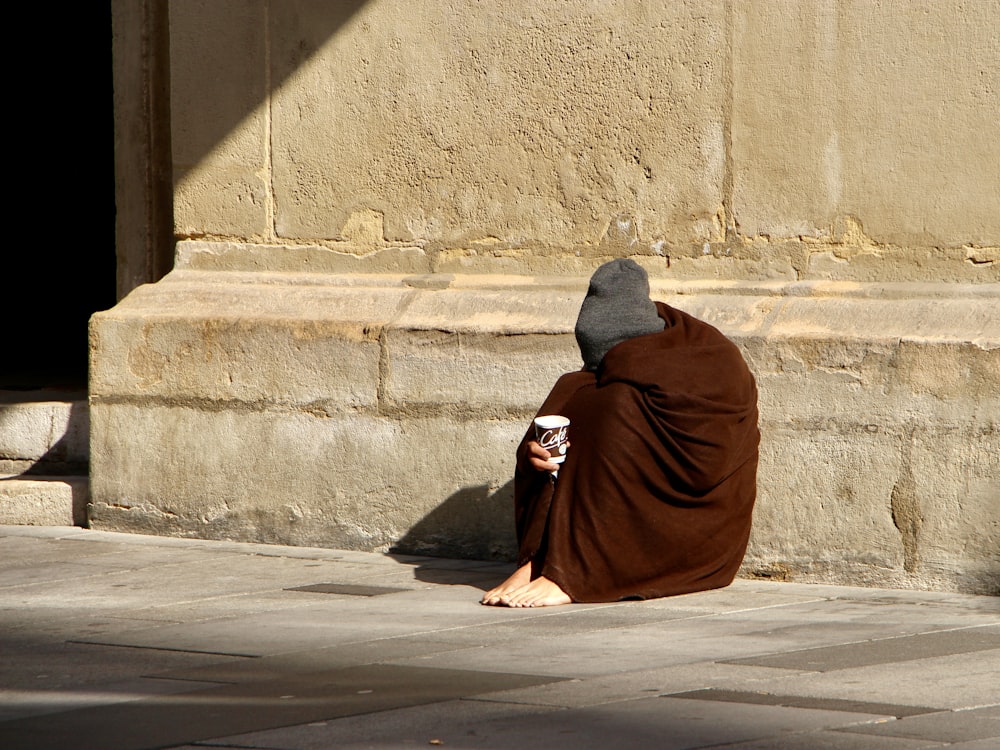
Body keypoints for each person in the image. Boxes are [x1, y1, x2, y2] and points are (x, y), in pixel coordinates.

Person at [482, 258, 760, 607]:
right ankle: (540, 559)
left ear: (632, 349)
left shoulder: (703, 368)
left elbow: (701, 461)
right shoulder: (649, 364)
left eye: (604, 361)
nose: (596, 369)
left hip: (698, 538)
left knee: (612, 409)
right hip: (645, 526)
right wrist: (533, 455)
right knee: (574, 392)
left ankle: (572, 572)